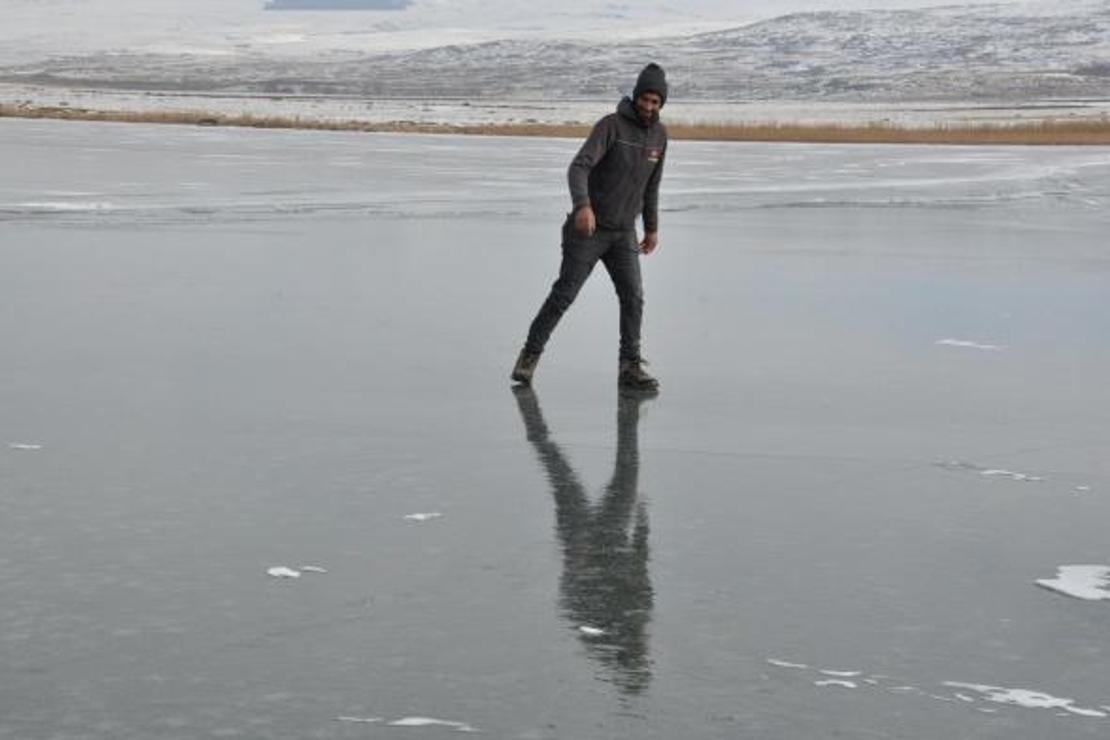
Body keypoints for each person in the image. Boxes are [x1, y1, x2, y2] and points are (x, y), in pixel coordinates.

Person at [511, 63, 669, 391]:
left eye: (656, 101)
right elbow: (578, 167)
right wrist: (583, 206)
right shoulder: (611, 126)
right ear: (636, 96)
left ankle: (629, 367)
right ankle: (529, 357)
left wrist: (651, 228)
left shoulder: (660, 137)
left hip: (623, 232)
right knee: (564, 294)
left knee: (633, 297)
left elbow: (651, 186)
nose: (649, 106)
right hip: (589, 230)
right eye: (645, 99)